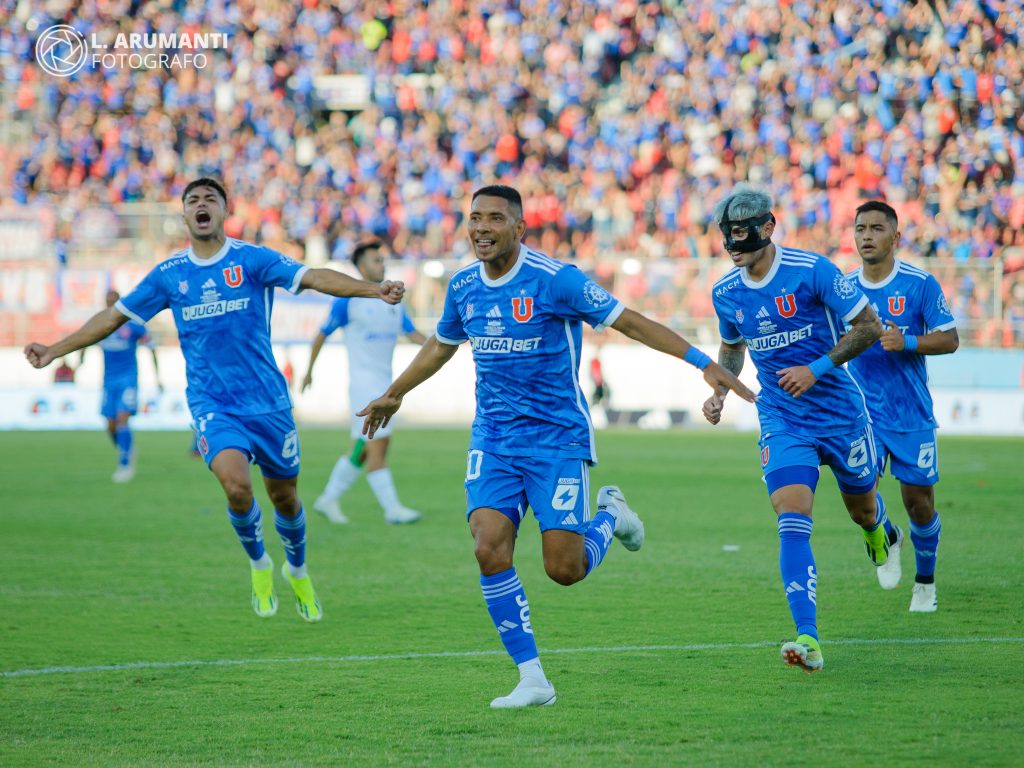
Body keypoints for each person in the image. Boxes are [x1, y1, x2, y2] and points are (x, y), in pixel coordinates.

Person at [359, 185, 756, 707]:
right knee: (487, 546)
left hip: (556, 440)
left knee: (563, 570)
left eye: (494, 219)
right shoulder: (462, 287)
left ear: (519, 229)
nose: (480, 227)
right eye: (474, 217)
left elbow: (629, 320)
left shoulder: (555, 280)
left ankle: (611, 514)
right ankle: (532, 678)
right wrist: (396, 393)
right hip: (495, 439)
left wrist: (704, 363)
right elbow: (441, 346)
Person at [24, 177, 405, 622]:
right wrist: (54, 349)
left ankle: (296, 568)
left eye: (210, 199)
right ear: (184, 215)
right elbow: (113, 317)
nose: (201, 205)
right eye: (193, 200)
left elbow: (313, 276)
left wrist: (370, 288)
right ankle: (259, 563)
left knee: (285, 498)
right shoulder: (169, 276)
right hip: (213, 406)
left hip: (269, 405)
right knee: (237, 487)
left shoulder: (252, 260)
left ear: (225, 211)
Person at [702, 187, 886, 674]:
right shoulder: (726, 292)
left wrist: (817, 367)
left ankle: (877, 528)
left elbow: (869, 326)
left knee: (862, 508)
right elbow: (732, 347)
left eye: (740, 233)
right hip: (783, 417)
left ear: (767, 227)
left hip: (841, 413)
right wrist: (722, 389)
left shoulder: (813, 271)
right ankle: (809, 637)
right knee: (791, 512)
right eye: (727, 235)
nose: (732, 244)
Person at [847, 200, 958, 612]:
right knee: (860, 500)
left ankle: (925, 583)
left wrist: (907, 341)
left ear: (895, 237)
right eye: (860, 229)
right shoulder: (842, 288)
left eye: (876, 229)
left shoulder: (919, 283)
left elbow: (949, 338)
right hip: (862, 417)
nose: (867, 236)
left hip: (910, 414)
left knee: (920, 503)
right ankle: (886, 534)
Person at [301, 240, 428, 525]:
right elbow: (322, 334)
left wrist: (443, 345)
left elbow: (412, 333)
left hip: (387, 384)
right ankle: (393, 509)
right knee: (377, 449)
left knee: (361, 449)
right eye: (375, 260)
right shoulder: (348, 300)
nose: (381, 265)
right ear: (360, 267)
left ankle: (328, 498)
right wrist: (309, 371)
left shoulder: (394, 302)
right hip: (364, 386)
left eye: (382, 260)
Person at [79, 289, 162, 483]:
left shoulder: (134, 325)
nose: (111, 306)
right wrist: (79, 363)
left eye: (114, 302)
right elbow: (84, 340)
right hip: (108, 381)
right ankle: (125, 449)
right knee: (110, 424)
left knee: (122, 418)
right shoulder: (101, 326)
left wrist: (158, 377)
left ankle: (125, 463)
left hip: (128, 379)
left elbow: (152, 349)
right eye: (108, 302)